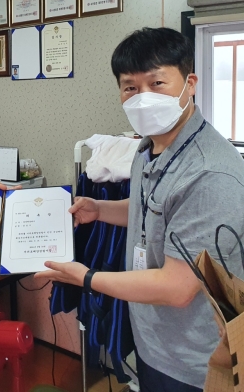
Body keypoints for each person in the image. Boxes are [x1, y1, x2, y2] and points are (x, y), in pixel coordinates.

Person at [35, 27, 244, 392]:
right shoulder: (149, 148)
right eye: (130, 87)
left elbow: (178, 288)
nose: (143, 97)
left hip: (195, 362)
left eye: (157, 83)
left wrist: (86, 278)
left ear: (190, 83)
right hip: (153, 341)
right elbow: (154, 209)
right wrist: (99, 209)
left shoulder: (210, 172)